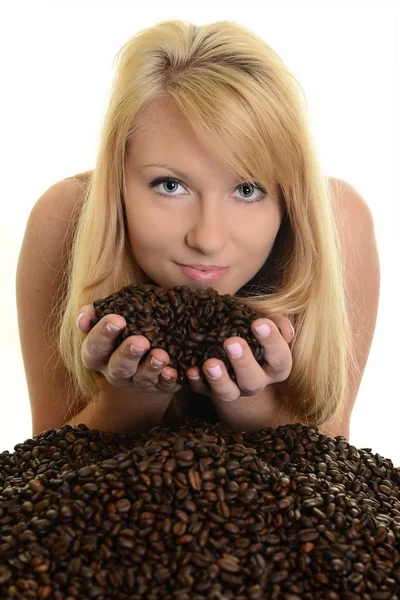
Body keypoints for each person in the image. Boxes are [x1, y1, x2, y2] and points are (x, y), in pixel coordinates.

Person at [16, 19, 380, 440]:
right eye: (170, 186)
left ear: (288, 194)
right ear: (117, 176)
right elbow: (40, 476)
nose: (207, 240)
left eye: (247, 189)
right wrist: (128, 400)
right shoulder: (66, 216)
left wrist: (255, 406)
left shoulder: (339, 223)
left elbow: (339, 475)